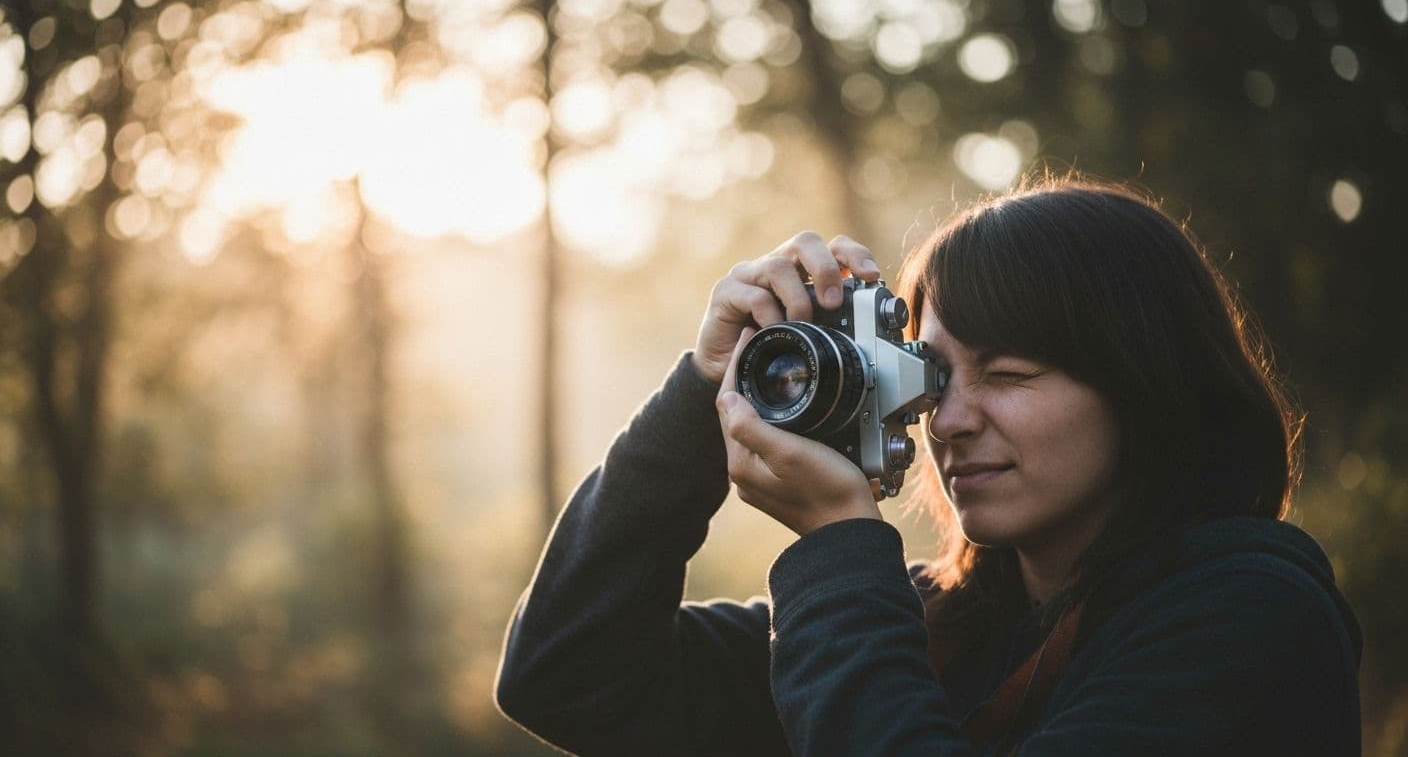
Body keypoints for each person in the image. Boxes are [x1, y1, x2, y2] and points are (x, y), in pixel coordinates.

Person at [494, 178, 1362, 755]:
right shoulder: (934, 623)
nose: (948, 420)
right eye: (933, 376)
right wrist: (705, 389)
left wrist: (838, 549)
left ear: (1147, 384)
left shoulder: (1250, 615)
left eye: (1009, 374)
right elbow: (566, 676)